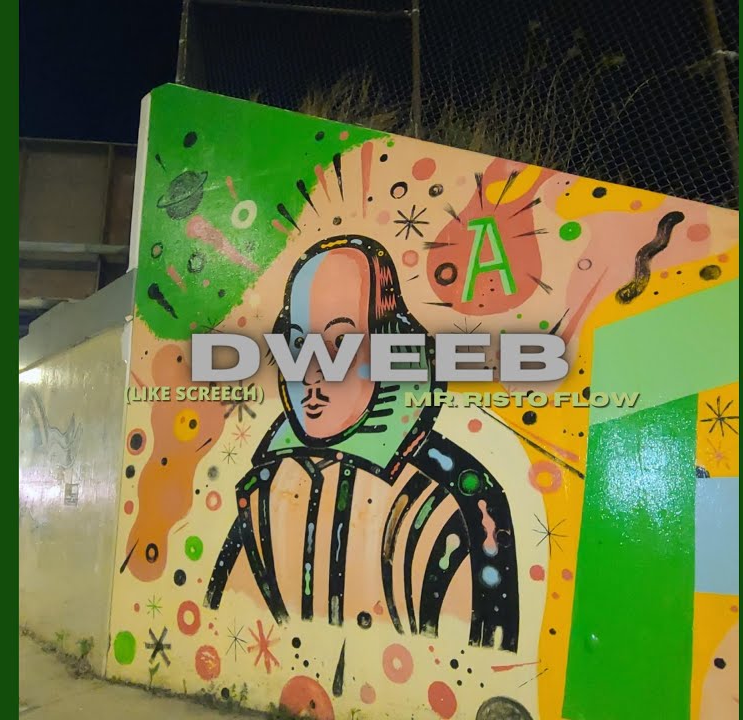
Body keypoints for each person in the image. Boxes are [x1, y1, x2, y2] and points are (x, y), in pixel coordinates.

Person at [204, 235, 520, 651]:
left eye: (341, 342)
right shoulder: (264, 484)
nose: (312, 371)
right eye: (297, 343)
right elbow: (221, 610)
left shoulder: (458, 498)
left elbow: (483, 656)